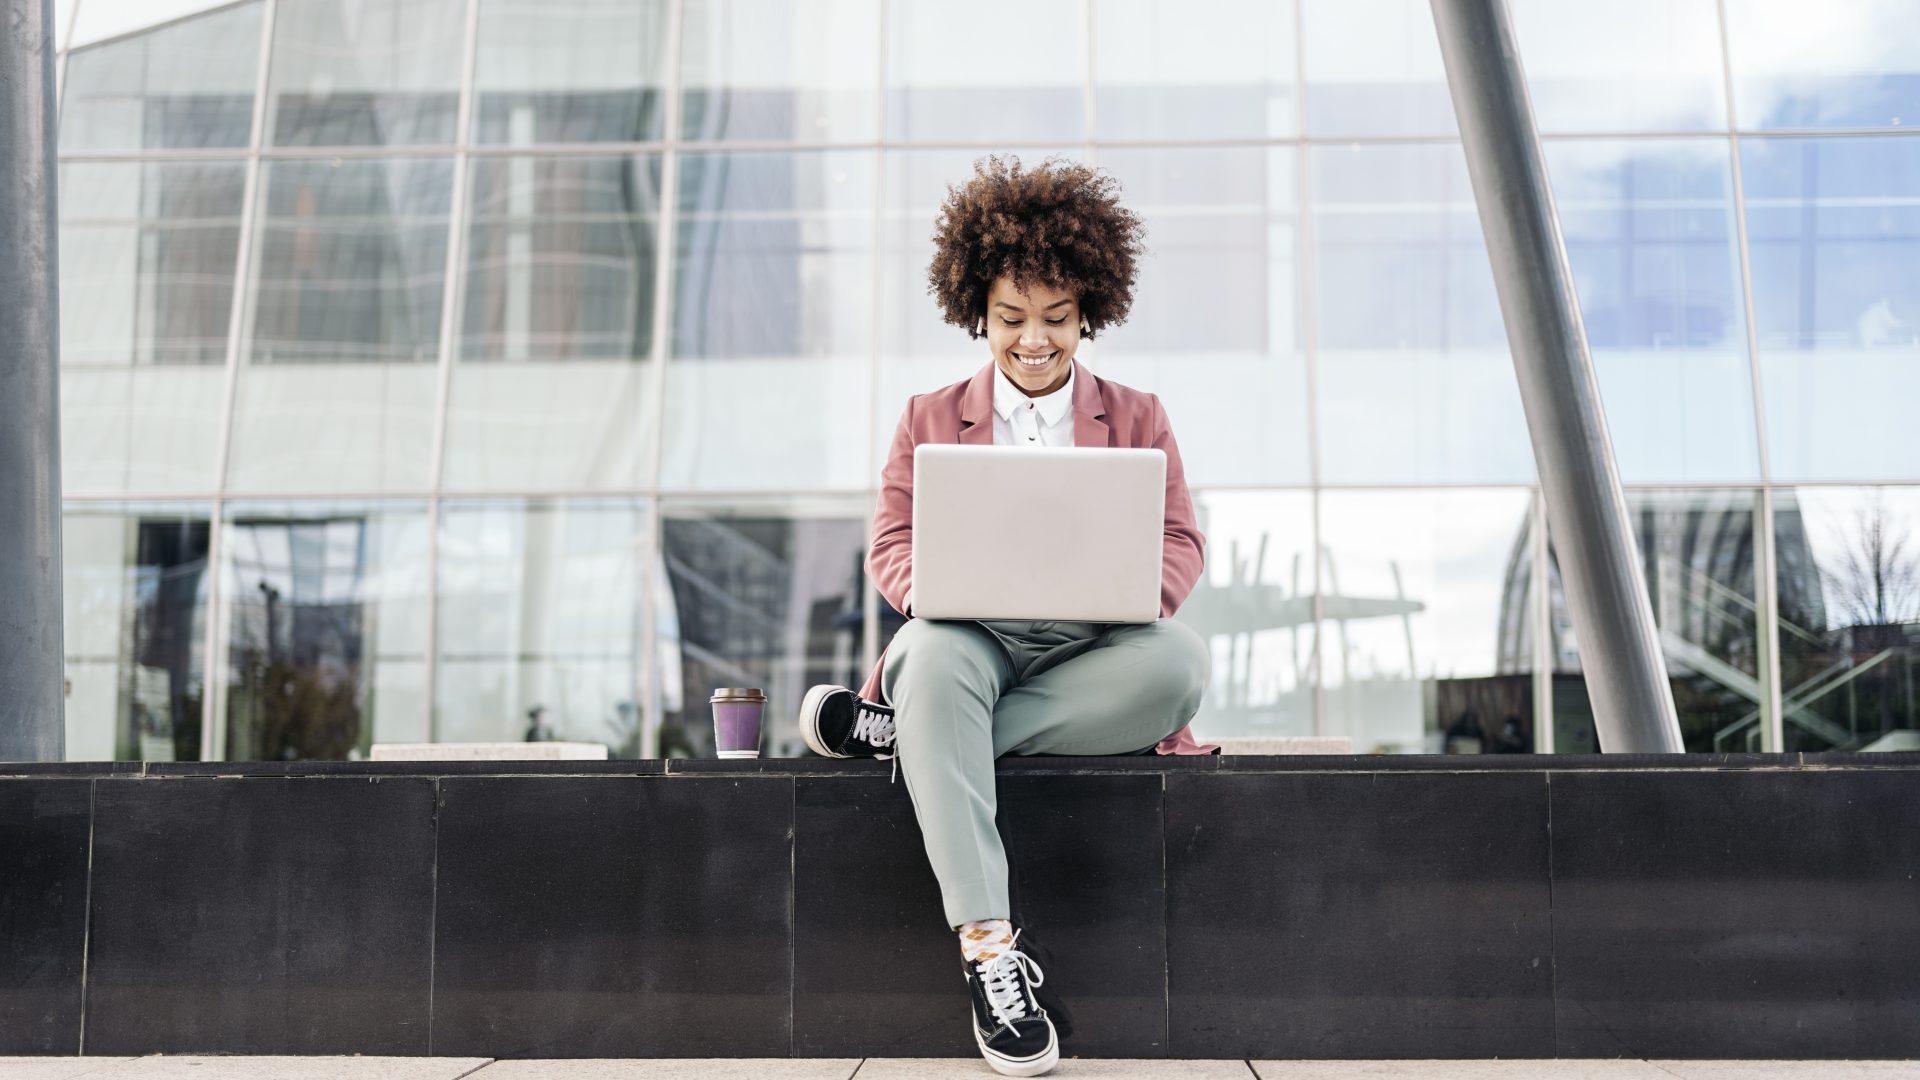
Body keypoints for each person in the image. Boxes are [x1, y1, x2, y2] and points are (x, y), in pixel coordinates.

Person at [797, 155, 1217, 1078]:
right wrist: (933, 588)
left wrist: (1128, 594)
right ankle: (992, 953)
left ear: (1089, 315)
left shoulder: (1139, 415)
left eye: (1057, 320)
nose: (1034, 341)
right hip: (968, 637)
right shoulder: (929, 415)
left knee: (1179, 663)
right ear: (977, 313)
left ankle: (904, 736)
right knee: (931, 656)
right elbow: (891, 542)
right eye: (1012, 319)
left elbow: (1180, 540)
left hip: (1094, 650)